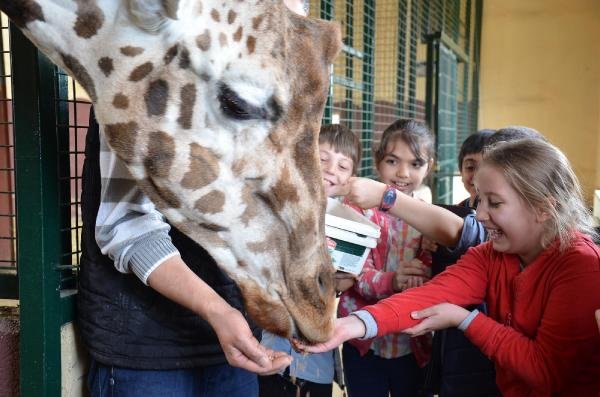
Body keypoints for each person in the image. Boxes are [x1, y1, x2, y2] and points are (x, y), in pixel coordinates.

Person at [299, 138, 600, 396]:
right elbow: (430, 295)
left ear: (543, 209)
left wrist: (464, 320)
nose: (479, 215)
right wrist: (349, 326)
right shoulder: (491, 254)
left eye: (494, 204)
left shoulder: (580, 266)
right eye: (479, 200)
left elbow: (544, 372)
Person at [79, 119, 290, 394]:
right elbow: (127, 225)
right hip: (147, 345)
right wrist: (218, 310)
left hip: (234, 340)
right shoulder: (137, 88)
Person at [258, 123, 361, 397]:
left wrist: (339, 282)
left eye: (343, 166)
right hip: (270, 337)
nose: (330, 170)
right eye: (323, 158)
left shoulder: (352, 223)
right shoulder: (278, 205)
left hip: (316, 347)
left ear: (352, 177)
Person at [336, 119, 435, 397]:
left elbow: (431, 271)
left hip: (413, 346)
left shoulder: (428, 217)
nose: (403, 173)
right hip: (364, 345)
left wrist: (423, 269)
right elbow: (353, 273)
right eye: (393, 161)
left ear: (430, 166)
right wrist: (394, 280)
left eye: (415, 164)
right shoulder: (355, 209)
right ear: (378, 160)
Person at [456, 129, 495, 209]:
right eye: (470, 167)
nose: (477, 176)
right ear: (461, 172)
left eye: (487, 167)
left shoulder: (509, 217)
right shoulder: (455, 213)